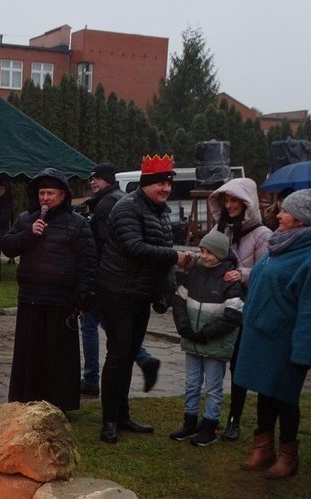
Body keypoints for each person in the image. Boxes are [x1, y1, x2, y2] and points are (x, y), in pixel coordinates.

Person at [96, 154, 188, 444]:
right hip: (117, 291)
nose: (165, 189)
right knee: (118, 356)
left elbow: (162, 254)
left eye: (168, 184)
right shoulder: (127, 207)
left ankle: (122, 415)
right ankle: (109, 420)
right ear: (146, 184)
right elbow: (136, 247)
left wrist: (165, 292)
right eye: (160, 183)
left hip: (140, 294)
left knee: (129, 354)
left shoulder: (159, 210)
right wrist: (177, 257)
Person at [235, 188, 311, 479]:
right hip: (262, 335)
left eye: (286, 211)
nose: (280, 214)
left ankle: (288, 454)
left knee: (285, 399)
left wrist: (303, 351)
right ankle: (263, 448)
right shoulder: (281, 242)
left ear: (301, 219)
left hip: (285, 340)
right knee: (265, 393)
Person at [2, 168, 96, 412]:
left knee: (58, 357)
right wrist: (28, 234)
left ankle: (59, 405)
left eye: (51, 193)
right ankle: (25, 401)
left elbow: (87, 265)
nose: (45, 198)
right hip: (31, 298)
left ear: (63, 195)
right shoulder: (26, 219)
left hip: (61, 300)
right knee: (30, 354)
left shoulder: (78, 224)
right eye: (42, 193)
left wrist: (83, 301)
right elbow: (8, 247)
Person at [80, 164, 161, 397]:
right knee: (111, 325)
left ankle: (91, 378)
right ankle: (144, 359)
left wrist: (96, 273)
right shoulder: (121, 198)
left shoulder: (107, 204)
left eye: (97, 178)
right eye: (91, 178)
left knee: (89, 326)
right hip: (117, 278)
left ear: (107, 179)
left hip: (104, 276)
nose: (93, 182)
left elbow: (107, 243)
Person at [207, 178, 273, 442]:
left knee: (238, 365)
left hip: (245, 309)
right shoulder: (220, 229)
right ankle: (209, 415)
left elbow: (265, 271)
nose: (230, 205)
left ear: (247, 203)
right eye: (226, 200)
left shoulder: (263, 235)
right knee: (213, 359)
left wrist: (241, 274)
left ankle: (235, 418)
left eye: (236, 200)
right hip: (218, 304)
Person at [169, 231, 244, 446]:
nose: (204, 255)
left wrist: (206, 333)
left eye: (209, 252)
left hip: (214, 343)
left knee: (213, 386)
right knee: (192, 383)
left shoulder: (230, 279)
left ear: (220, 253)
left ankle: (210, 425)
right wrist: (184, 328)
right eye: (201, 251)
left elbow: (233, 316)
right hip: (192, 339)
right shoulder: (195, 273)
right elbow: (179, 301)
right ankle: (190, 420)